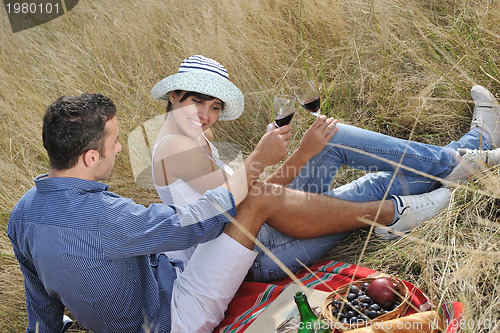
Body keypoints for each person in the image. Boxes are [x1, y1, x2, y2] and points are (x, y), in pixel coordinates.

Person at [9, 93, 465, 332]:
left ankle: (460, 159)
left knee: (337, 176)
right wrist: (258, 164)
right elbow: (202, 224)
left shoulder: (24, 213)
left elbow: (40, 303)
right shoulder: (113, 206)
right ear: (90, 158)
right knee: (274, 195)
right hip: (172, 315)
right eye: (112, 144)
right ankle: (396, 210)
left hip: (170, 269)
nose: (121, 149)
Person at [150, 55, 500, 282]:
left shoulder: (194, 134)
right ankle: (474, 148)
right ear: (174, 95)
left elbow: (260, 197)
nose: (205, 115)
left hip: (269, 223)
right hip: (258, 254)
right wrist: (284, 155)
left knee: (335, 142)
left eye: (213, 106)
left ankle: (466, 154)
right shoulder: (174, 147)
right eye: (197, 101)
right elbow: (246, 204)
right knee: (374, 185)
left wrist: (293, 155)